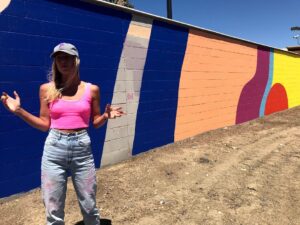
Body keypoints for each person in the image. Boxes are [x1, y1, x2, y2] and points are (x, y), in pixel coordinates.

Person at [1, 43, 124, 225]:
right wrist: (19, 111)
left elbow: (96, 122)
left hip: (82, 148)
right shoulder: (46, 89)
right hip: (54, 149)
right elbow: (44, 125)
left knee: (89, 205)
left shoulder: (92, 90)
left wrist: (106, 115)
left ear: (76, 60)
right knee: (53, 207)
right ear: (55, 62)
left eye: (67, 57)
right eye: (59, 58)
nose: (63, 61)